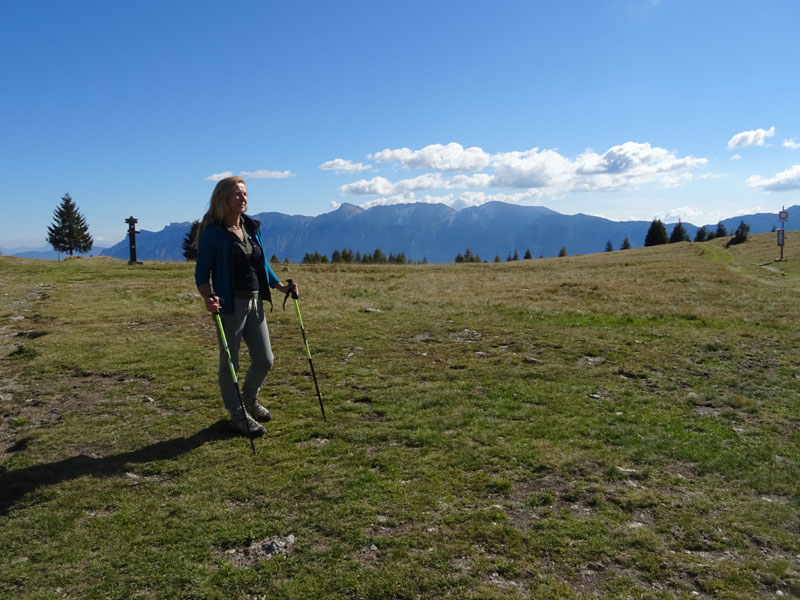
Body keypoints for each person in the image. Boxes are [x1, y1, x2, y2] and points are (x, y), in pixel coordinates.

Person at [195, 176, 297, 436]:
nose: (243, 198)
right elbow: (201, 275)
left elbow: (261, 265)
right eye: (237, 194)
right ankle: (237, 413)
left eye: (245, 194)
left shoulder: (252, 228)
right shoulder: (214, 234)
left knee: (265, 359)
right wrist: (209, 298)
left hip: (255, 302)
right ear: (223, 199)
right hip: (229, 305)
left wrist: (280, 287)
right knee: (231, 362)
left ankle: (249, 399)